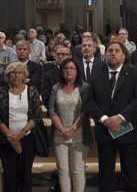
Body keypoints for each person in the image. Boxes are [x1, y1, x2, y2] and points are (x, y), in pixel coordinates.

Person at [84, 41, 137, 192]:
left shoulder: (134, 72)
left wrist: (120, 117)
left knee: (130, 173)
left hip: (127, 128)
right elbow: (89, 101)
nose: (113, 53)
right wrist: (105, 119)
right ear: (104, 55)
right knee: (105, 174)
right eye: (110, 50)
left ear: (124, 56)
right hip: (104, 129)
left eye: (117, 50)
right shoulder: (97, 74)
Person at [49, 58, 92, 192]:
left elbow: (86, 111)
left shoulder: (85, 87)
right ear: (62, 71)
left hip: (79, 133)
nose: (68, 70)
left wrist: (73, 129)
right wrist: (62, 130)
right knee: (63, 170)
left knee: (77, 170)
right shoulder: (56, 87)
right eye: (65, 68)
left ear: (77, 71)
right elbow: (52, 110)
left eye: (72, 68)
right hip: (60, 134)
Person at [0, 62, 42, 192]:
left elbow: (36, 116)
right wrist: (11, 137)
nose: (16, 75)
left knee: (25, 175)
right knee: (9, 176)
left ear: (24, 75)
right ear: (7, 76)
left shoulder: (32, 90)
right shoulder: (2, 92)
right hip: (6, 140)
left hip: (27, 139)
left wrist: (20, 134)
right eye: (12, 73)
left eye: (19, 72)